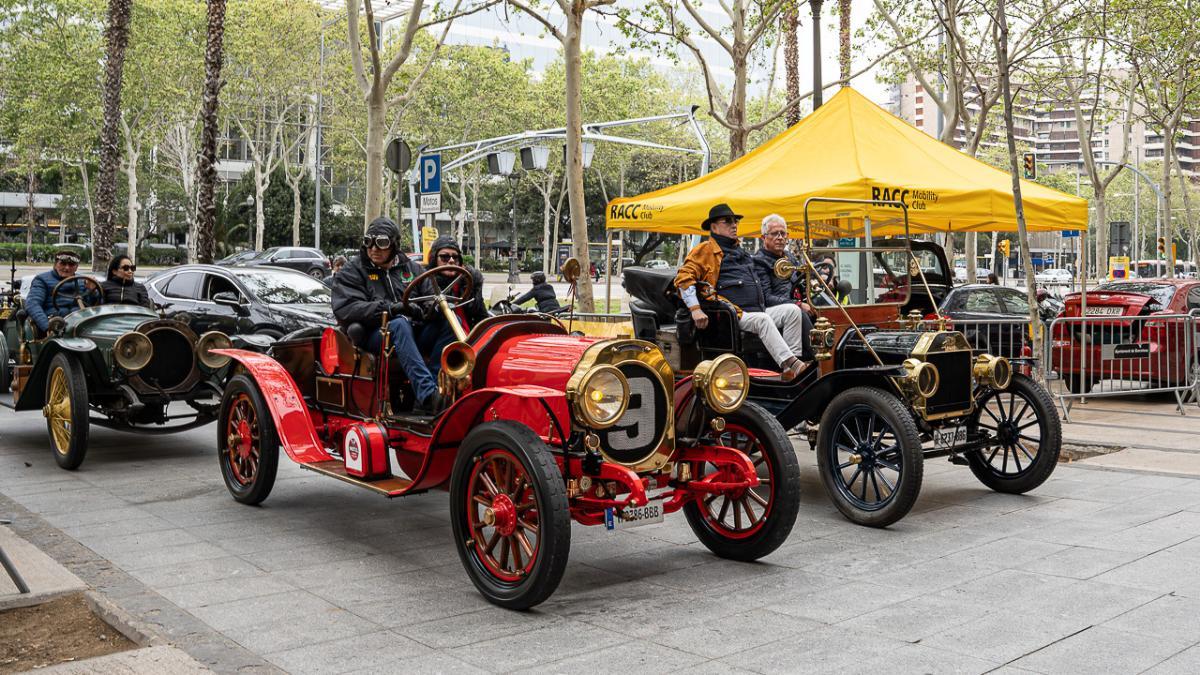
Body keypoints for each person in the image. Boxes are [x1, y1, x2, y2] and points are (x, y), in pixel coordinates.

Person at [674, 203, 809, 380]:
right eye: (728, 221)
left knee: (792, 311)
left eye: (735, 221)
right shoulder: (705, 250)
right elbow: (683, 278)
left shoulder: (740, 251)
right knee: (763, 320)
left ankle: (791, 371)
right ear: (714, 227)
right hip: (734, 314)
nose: (734, 225)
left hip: (757, 309)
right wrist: (695, 309)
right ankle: (793, 364)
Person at [331, 217, 442, 413]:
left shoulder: (413, 269)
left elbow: (431, 297)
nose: (373, 248)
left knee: (449, 323)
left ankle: (434, 389)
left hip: (412, 332)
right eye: (368, 242)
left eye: (381, 243)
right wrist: (389, 309)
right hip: (374, 335)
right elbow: (346, 307)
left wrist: (425, 309)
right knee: (399, 324)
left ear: (394, 245)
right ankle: (427, 395)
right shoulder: (353, 270)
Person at [752, 214, 814, 360]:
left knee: (824, 308)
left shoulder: (789, 257)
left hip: (793, 304)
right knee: (798, 312)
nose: (780, 237)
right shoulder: (759, 261)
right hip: (773, 309)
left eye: (783, 233)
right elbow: (766, 298)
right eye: (774, 233)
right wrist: (798, 304)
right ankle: (818, 357)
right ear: (764, 238)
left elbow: (802, 281)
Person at [424, 235, 487, 367]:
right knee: (451, 322)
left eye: (455, 257)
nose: (451, 261)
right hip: (435, 336)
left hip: (468, 336)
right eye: (445, 257)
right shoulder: (426, 281)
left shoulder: (471, 282)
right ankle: (436, 376)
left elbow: (481, 314)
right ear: (435, 259)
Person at [26, 248, 101, 335]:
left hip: (81, 321)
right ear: (55, 265)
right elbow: (33, 303)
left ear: (76, 267)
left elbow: (94, 305)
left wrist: (92, 291)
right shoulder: (42, 280)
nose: (67, 268)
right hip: (56, 322)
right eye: (63, 263)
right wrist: (48, 327)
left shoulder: (83, 280)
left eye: (71, 264)